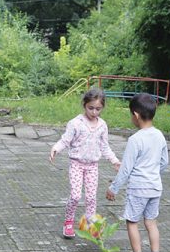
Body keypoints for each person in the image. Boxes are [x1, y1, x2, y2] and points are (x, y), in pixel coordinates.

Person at [106, 93, 169, 252]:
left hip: (138, 188)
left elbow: (126, 169)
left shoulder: (135, 139)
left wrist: (113, 188)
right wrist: (153, 174)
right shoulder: (159, 135)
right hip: (155, 187)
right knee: (151, 222)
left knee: (132, 222)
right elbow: (164, 162)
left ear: (135, 115)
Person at [50, 88, 120, 238]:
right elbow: (65, 140)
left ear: (102, 108)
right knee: (75, 196)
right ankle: (68, 221)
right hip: (76, 164)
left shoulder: (102, 125)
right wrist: (56, 148)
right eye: (91, 108)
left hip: (92, 166)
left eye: (98, 109)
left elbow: (105, 146)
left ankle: (91, 224)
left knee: (91, 197)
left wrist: (114, 160)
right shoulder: (75, 123)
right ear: (84, 105)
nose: (94, 112)